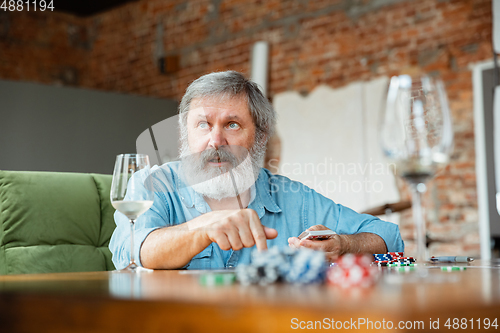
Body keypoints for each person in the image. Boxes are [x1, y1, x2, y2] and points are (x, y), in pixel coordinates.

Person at [109, 71, 404, 270]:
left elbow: (389, 237)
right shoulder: (152, 182)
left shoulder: (291, 197)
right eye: (203, 124)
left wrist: (345, 245)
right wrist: (206, 226)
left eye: (232, 124)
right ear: (186, 134)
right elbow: (133, 249)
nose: (216, 140)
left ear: (260, 136)